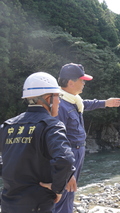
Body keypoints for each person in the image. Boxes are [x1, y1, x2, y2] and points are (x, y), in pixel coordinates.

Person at [0, 72, 75, 213]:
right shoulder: (52, 125)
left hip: (8, 204)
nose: (60, 102)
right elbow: (65, 160)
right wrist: (57, 188)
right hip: (38, 204)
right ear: (48, 98)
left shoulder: (8, 126)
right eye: (58, 96)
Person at [53, 63, 120, 213]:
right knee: (64, 191)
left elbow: (85, 104)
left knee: (70, 192)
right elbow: (56, 141)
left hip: (78, 151)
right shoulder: (60, 106)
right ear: (71, 83)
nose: (84, 83)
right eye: (82, 80)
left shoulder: (72, 100)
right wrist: (66, 171)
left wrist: (105, 103)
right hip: (69, 154)